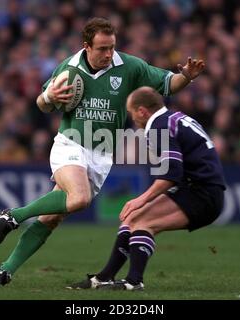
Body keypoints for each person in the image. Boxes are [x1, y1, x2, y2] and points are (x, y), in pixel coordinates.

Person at [0, 17, 205, 287]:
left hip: (102, 155)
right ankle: (14, 215)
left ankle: (5, 270)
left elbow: (168, 83)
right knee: (79, 198)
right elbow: (42, 102)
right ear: (86, 46)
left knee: (51, 218)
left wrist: (186, 77)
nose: (108, 54)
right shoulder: (69, 70)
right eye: (102, 48)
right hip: (71, 143)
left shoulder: (129, 66)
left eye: (111, 47)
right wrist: (50, 98)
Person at [68, 86, 226, 290]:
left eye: (132, 113)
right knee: (131, 219)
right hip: (198, 188)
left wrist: (141, 199)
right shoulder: (171, 118)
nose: (132, 119)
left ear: (142, 111)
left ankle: (134, 281)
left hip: (202, 193)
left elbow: (171, 174)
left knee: (142, 219)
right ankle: (105, 277)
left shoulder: (158, 126)